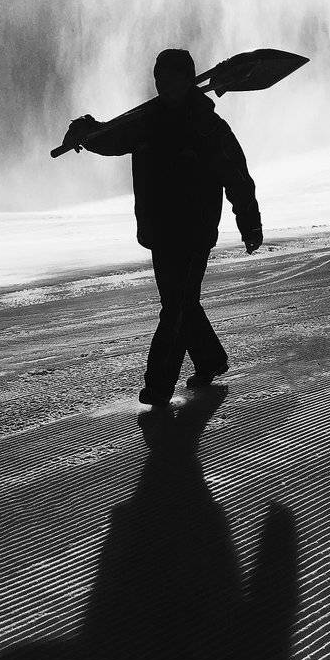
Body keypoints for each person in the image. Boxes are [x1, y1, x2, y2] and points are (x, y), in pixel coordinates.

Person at [65, 48, 263, 406]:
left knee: (175, 306)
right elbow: (110, 138)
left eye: (172, 77)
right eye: (160, 78)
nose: (165, 84)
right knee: (181, 302)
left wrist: (249, 223)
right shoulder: (146, 122)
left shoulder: (207, 127)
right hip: (159, 230)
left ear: (188, 79)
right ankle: (211, 360)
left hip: (195, 230)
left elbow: (236, 176)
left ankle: (158, 386)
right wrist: (84, 131)